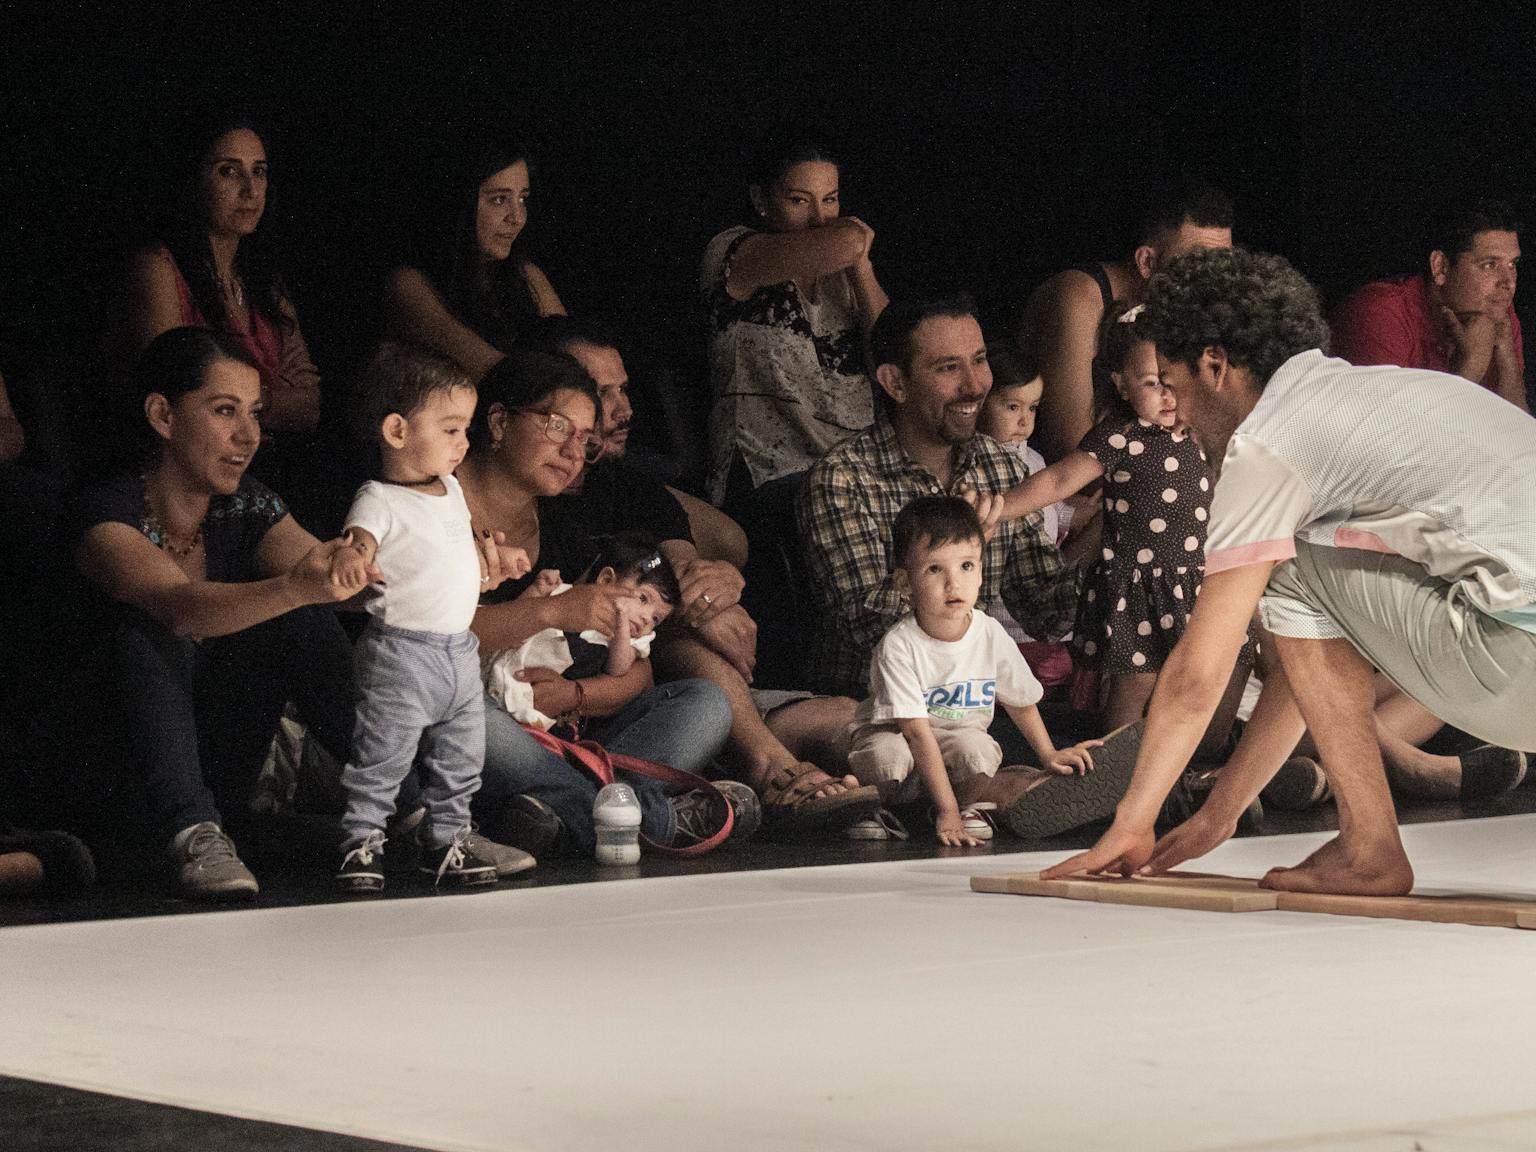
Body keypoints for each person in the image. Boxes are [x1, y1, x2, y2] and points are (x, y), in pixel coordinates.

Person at [1043, 248, 1536, 896]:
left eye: (1174, 384)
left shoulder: (1271, 443)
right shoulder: (1373, 392)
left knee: (1290, 562)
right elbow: (1311, 664)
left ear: (1215, 366)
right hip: (1516, 649)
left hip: (1517, 663)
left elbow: (1199, 673)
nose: (1175, 414)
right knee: (1302, 567)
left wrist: (1132, 821)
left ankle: (1370, 847)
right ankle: (1367, 842)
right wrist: (1220, 812)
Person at [529, 317, 883, 838]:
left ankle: (588, 808)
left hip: (615, 697)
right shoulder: (527, 492)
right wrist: (691, 610)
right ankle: (680, 800)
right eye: (603, 393)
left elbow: (684, 571)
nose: (625, 409)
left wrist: (716, 590)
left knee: (742, 694)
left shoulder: (626, 484)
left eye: (624, 389)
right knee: (674, 630)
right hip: (532, 702)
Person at [62, 328, 366, 899]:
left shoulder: (246, 503)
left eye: (254, 413)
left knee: (302, 620)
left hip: (216, 772)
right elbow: (181, 609)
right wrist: (296, 587)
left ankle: (402, 806)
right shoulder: (105, 510)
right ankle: (192, 831)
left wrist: (438, 565)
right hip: (104, 782)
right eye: (225, 411)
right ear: (163, 415)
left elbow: (338, 581)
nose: (249, 436)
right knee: (154, 628)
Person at [454, 351, 741, 857]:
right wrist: (549, 612)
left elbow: (638, 674)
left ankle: (548, 813)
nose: (572, 451)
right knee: (463, 714)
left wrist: (573, 695)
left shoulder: (567, 524)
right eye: (557, 426)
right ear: (498, 421)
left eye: (586, 440)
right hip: (483, 715)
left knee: (705, 701)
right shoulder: (435, 505)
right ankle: (648, 819)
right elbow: (425, 644)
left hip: (566, 736)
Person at [327, 344, 536, 894]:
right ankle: (361, 842)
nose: (464, 442)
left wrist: (496, 560)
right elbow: (359, 543)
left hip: (458, 652)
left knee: (463, 758)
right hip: (401, 653)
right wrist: (352, 558)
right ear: (397, 430)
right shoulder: (378, 498)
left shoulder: (453, 489)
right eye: (450, 429)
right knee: (382, 756)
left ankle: (448, 840)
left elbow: (456, 548)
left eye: (465, 428)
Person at [990, 303, 1253, 737]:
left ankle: (1202, 766)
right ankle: (1114, 770)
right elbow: (1058, 480)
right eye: (1152, 383)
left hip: (1205, 584)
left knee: (1216, 688)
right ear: (1121, 385)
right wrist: (999, 507)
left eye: (1175, 381)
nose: (1168, 395)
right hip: (1141, 590)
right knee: (1134, 692)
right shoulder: (1120, 436)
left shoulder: (1205, 430)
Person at [801, 295, 1078, 702]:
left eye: (979, 360)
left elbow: (1047, 613)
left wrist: (1116, 538)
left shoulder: (999, 465)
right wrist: (962, 545)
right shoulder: (843, 477)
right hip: (871, 711)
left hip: (969, 710)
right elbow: (870, 627)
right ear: (896, 383)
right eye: (949, 368)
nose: (975, 385)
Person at [848, 497, 1102, 846]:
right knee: (887, 757)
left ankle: (955, 806)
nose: (953, 583)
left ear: (981, 572)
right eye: (935, 569)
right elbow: (917, 734)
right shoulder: (899, 645)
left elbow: (1020, 701)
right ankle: (879, 805)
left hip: (952, 741)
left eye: (966, 566)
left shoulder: (989, 633)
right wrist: (948, 810)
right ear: (905, 584)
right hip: (900, 739)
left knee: (977, 751)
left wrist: (1049, 754)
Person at [122, 115, 323, 490]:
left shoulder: (264, 282)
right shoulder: (159, 268)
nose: (250, 189)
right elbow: (178, 395)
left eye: (259, 172)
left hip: (263, 461)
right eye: (229, 172)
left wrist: (237, 405)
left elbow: (309, 405)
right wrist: (270, 401)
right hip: (187, 471)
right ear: (194, 180)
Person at [703, 138, 889, 510]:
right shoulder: (736, 252)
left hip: (858, 465)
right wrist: (852, 241)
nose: (819, 219)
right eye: (799, 201)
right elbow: (847, 239)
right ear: (761, 201)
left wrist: (861, 269)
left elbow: (891, 354)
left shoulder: (843, 274)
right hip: (771, 468)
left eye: (830, 199)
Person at [1018, 179, 1234, 463]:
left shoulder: (1194, 304)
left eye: (1223, 264)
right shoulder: (1080, 296)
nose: (1213, 280)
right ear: (1146, 262)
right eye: (1195, 264)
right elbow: (1069, 448)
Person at [383, 140, 565, 381]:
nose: (517, 218)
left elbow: (578, 355)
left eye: (522, 199)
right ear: (459, 203)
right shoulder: (409, 284)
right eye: (499, 199)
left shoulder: (527, 275)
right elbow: (497, 374)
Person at [1331, 198, 1527, 412]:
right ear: (1440, 267)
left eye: (1512, 264)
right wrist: (1471, 365)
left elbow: (1521, 428)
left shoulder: (1497, 312)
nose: (1509, 282)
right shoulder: (1380, 314)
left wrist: (1507, 358)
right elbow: (1389, 428)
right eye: (1490, 265)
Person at [486, 534, 679, 731]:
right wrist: (537, 591)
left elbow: (618, 668)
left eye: (656, 618)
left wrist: (621, 627)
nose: (647, 618)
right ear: (606, 580)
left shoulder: (629, 641)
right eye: (643, 599)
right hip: (497, 675)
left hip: (540, 718)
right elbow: (519, 619)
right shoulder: (568, 597)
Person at [975, 343, 1079, 693]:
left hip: (1042, 615)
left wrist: (1082, 512)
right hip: (1003, 621)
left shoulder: (1034, 459)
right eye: (1011, 406)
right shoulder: (975, 465)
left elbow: (1053, 511)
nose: (1024, 420)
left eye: (1033, 407)